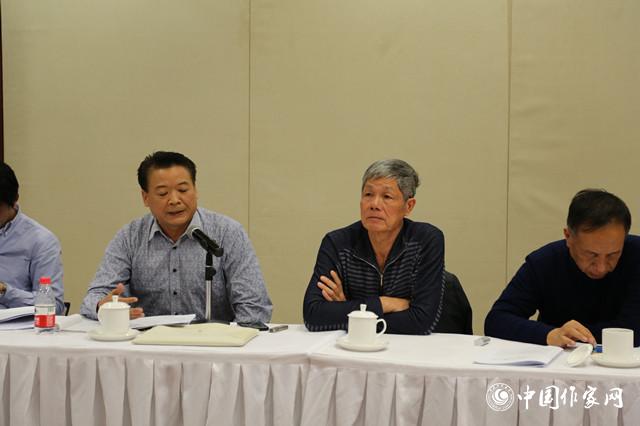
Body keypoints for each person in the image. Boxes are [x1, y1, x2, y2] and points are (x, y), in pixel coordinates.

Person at [80, 151, 272, 323]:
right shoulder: (129, 237)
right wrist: (102, 306)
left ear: (195, 190)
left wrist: (229, 341)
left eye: (183, 190)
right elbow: (93, 298)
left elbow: (254, 307)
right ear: (145, 198)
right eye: (162, 193)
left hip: (214, 346)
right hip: (147, 346)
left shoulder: (227, 233)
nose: (174, 200)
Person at [303, 159, 445, 335]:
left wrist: (350, 312)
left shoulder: (426, 240)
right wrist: (384, 303)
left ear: (408, 206)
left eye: (387, 197)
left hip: (414, 348)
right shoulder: (338, 243)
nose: (374, 204)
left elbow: (421, 321)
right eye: (368, 194)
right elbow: (313, 315)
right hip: (354, 347)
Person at [485, 189, 640, 347]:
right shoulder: (544, 262)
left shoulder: (636, 256)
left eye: (613, 255)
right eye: (591, 255)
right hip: (558, 359)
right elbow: (497, 320)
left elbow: (633, 330)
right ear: (568, 237)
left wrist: (571, 337)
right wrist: (550, 334)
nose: (601, 267)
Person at [0, 162, 64, 313]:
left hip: (12, 326)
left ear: (14, 200)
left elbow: (54, 306)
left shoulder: (41, 242)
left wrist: (4, 292)